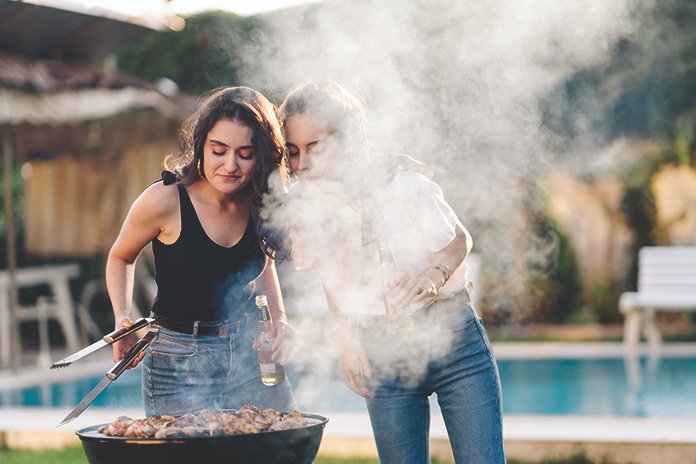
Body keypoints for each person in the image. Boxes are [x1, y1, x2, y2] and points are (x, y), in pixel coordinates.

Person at [278, 81, 506, 464]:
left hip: (454, 344)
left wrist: (430, 276)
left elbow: (459, 239)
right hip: (380, 354)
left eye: (315, 147)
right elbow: (331, 276)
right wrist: (346, 341)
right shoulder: (304, 208)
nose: (302, 164)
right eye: (293, 151)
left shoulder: (401, 183)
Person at [106, 86, 297, 417]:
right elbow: (121, 256)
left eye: (245, 153)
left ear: (262, 156)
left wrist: (279, 318)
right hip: (176, 360)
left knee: (283, 445)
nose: (230, 165)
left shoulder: (259, 201)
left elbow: (261, 261)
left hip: (250, 354)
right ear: (201, 146)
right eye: (218, 150)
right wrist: (122, 317)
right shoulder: (164, 200)